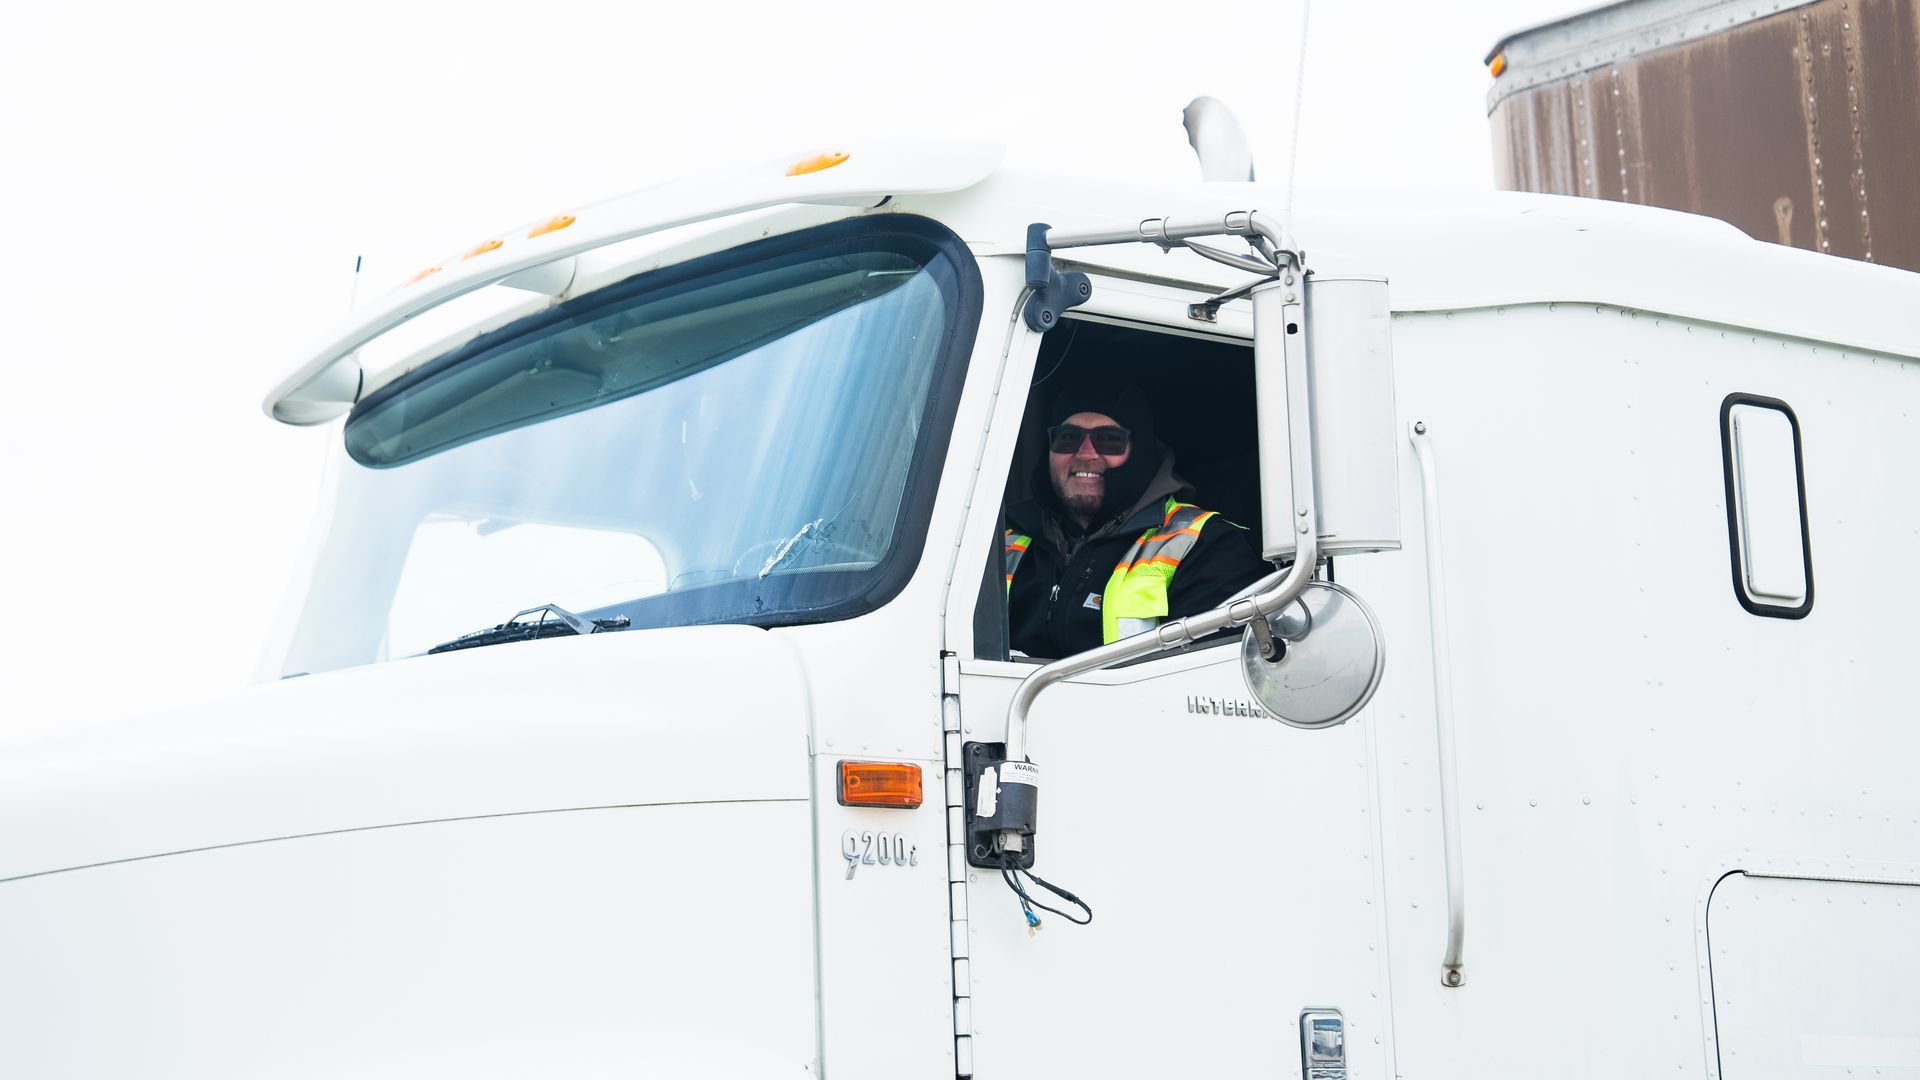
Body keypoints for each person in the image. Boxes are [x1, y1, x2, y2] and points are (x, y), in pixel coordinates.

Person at [1004, 381, 1272, 658]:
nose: (1085, 453)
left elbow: (1211, 673)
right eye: (1068, 438)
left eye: (1108, 439)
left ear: (1140, 451)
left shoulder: (1205, 544)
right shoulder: (1002, 538)